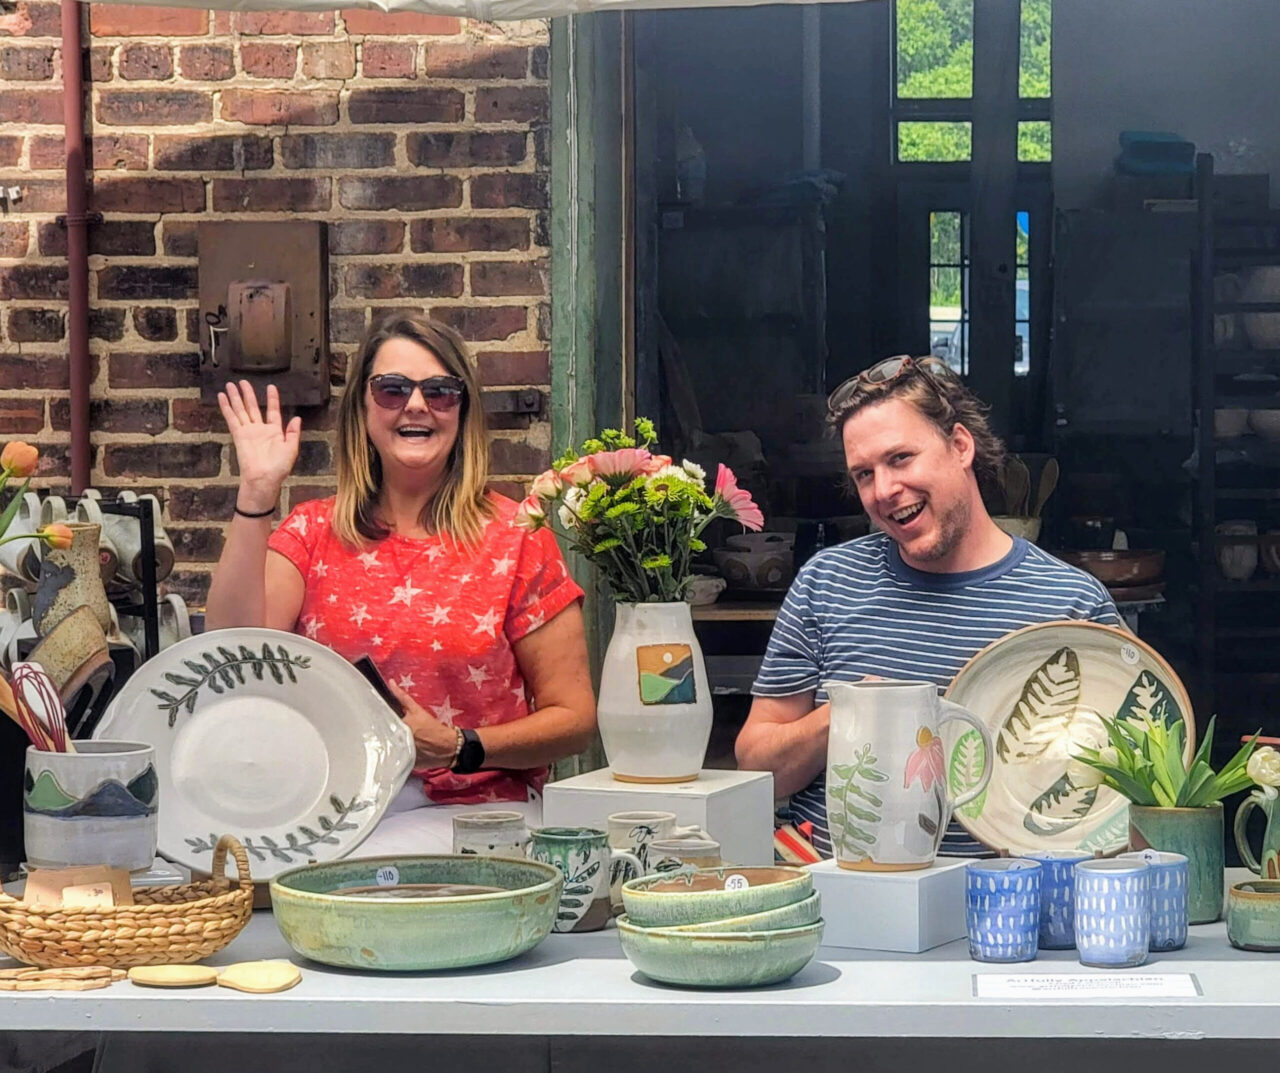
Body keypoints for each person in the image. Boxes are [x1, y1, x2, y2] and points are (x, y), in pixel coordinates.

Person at [205, 313, 597, 853]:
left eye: (439, 391)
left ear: (463, 411)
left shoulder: (517, 537)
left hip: (472, 813)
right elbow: (231, 651)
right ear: (363, 411)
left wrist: (461, 746)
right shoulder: (314, 531)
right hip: (330, 810)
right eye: (392, 389)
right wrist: (256, 492)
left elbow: (574, 719)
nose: (416, 405)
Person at [735, 354, 1121, 857]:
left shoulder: (1071, 602)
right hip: (841, 902)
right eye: (864, 474)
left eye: (900, 458)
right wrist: (846, 715)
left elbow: (1128, 795)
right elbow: (756, 768)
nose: (884, 490)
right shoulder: (828, 583)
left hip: (1004, 915)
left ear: (960, 446)